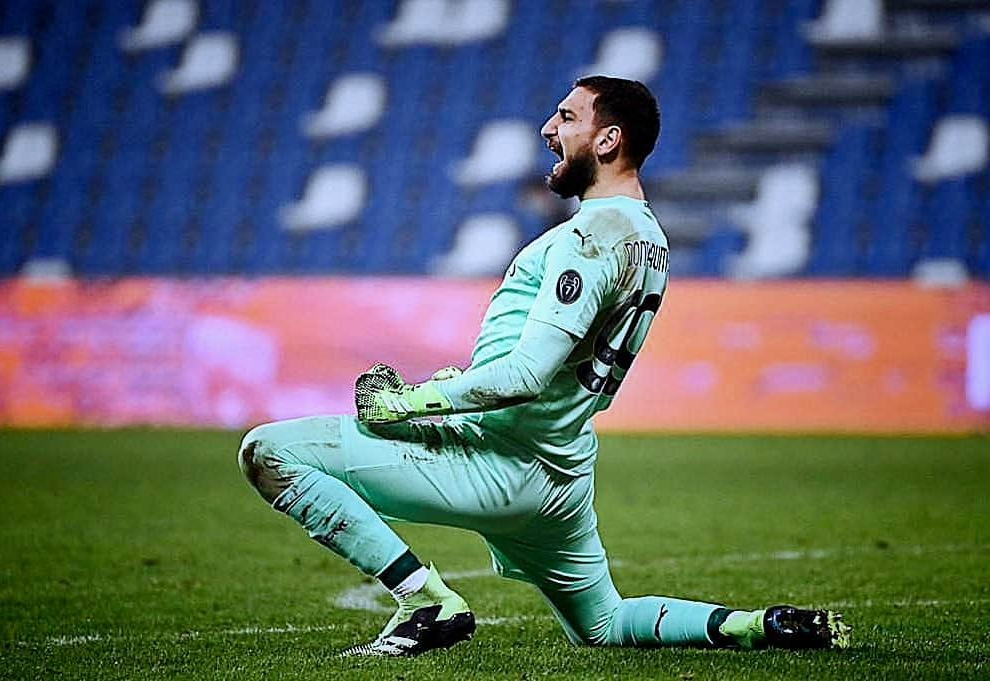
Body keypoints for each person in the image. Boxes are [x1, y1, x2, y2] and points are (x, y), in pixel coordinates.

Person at [237, 76, 851, 657]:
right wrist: (458, 384)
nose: (546, 129)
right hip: (562, 469)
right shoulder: (648, 239)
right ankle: (750, 626)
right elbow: (553, 369)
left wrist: (412, 401)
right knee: (605, 624)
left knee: (270, 451)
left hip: (499, 458)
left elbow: (526, 376)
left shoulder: (596, 234)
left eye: (566, 117)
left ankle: (426, 602)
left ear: (607, 139)